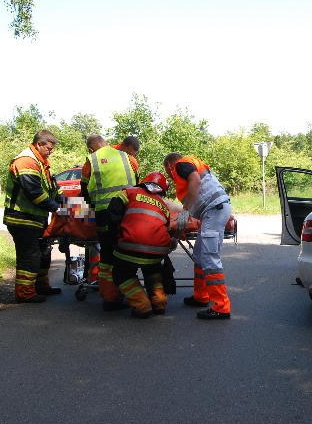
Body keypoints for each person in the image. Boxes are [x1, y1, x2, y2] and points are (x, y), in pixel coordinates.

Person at [164, 152, 232, 320]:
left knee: (209, 257)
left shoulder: (180, 165)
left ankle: (221, 307)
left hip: (213, 211)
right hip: (214, 211)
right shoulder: (190, 165)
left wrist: (185, 211)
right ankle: (201, 296)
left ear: (169, 166)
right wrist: (176, 236)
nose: (170, 177)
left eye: (167, 172)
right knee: (200, 256)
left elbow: (195, 181)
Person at [81, 134, 139, 310]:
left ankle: (110, 297)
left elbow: (84, 190)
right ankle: (132, 294)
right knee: (127, 251)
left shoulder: (91, 160)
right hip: (128, 212)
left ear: (91, 149)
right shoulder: (128, 158)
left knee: (107, 255)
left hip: (104, 214)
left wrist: (88, 210)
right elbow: (137, 183)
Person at [3, 130, 61, 303]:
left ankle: (41, 286)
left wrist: (67, 202)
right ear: (39, 144)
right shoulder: (26, 161)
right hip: (22, 219)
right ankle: (24, 293)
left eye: (52, 149)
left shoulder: (41, 162)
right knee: (29, 256)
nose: (51, 151)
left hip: (36, 219)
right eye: (49, 148)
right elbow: (34, 193)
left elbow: (52, 190)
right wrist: (58, 208)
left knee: (44, 254)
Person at [107, 172, 175, 319]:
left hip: (131, 245)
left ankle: (142, 306)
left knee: (121, 273)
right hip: (158, 250)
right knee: (153, 271)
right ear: (161, 191)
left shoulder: (129, 192)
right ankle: (159, 302)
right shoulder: (163, 205)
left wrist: (116, 236)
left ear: (143, 183)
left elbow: (113, 212)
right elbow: (167, 229)